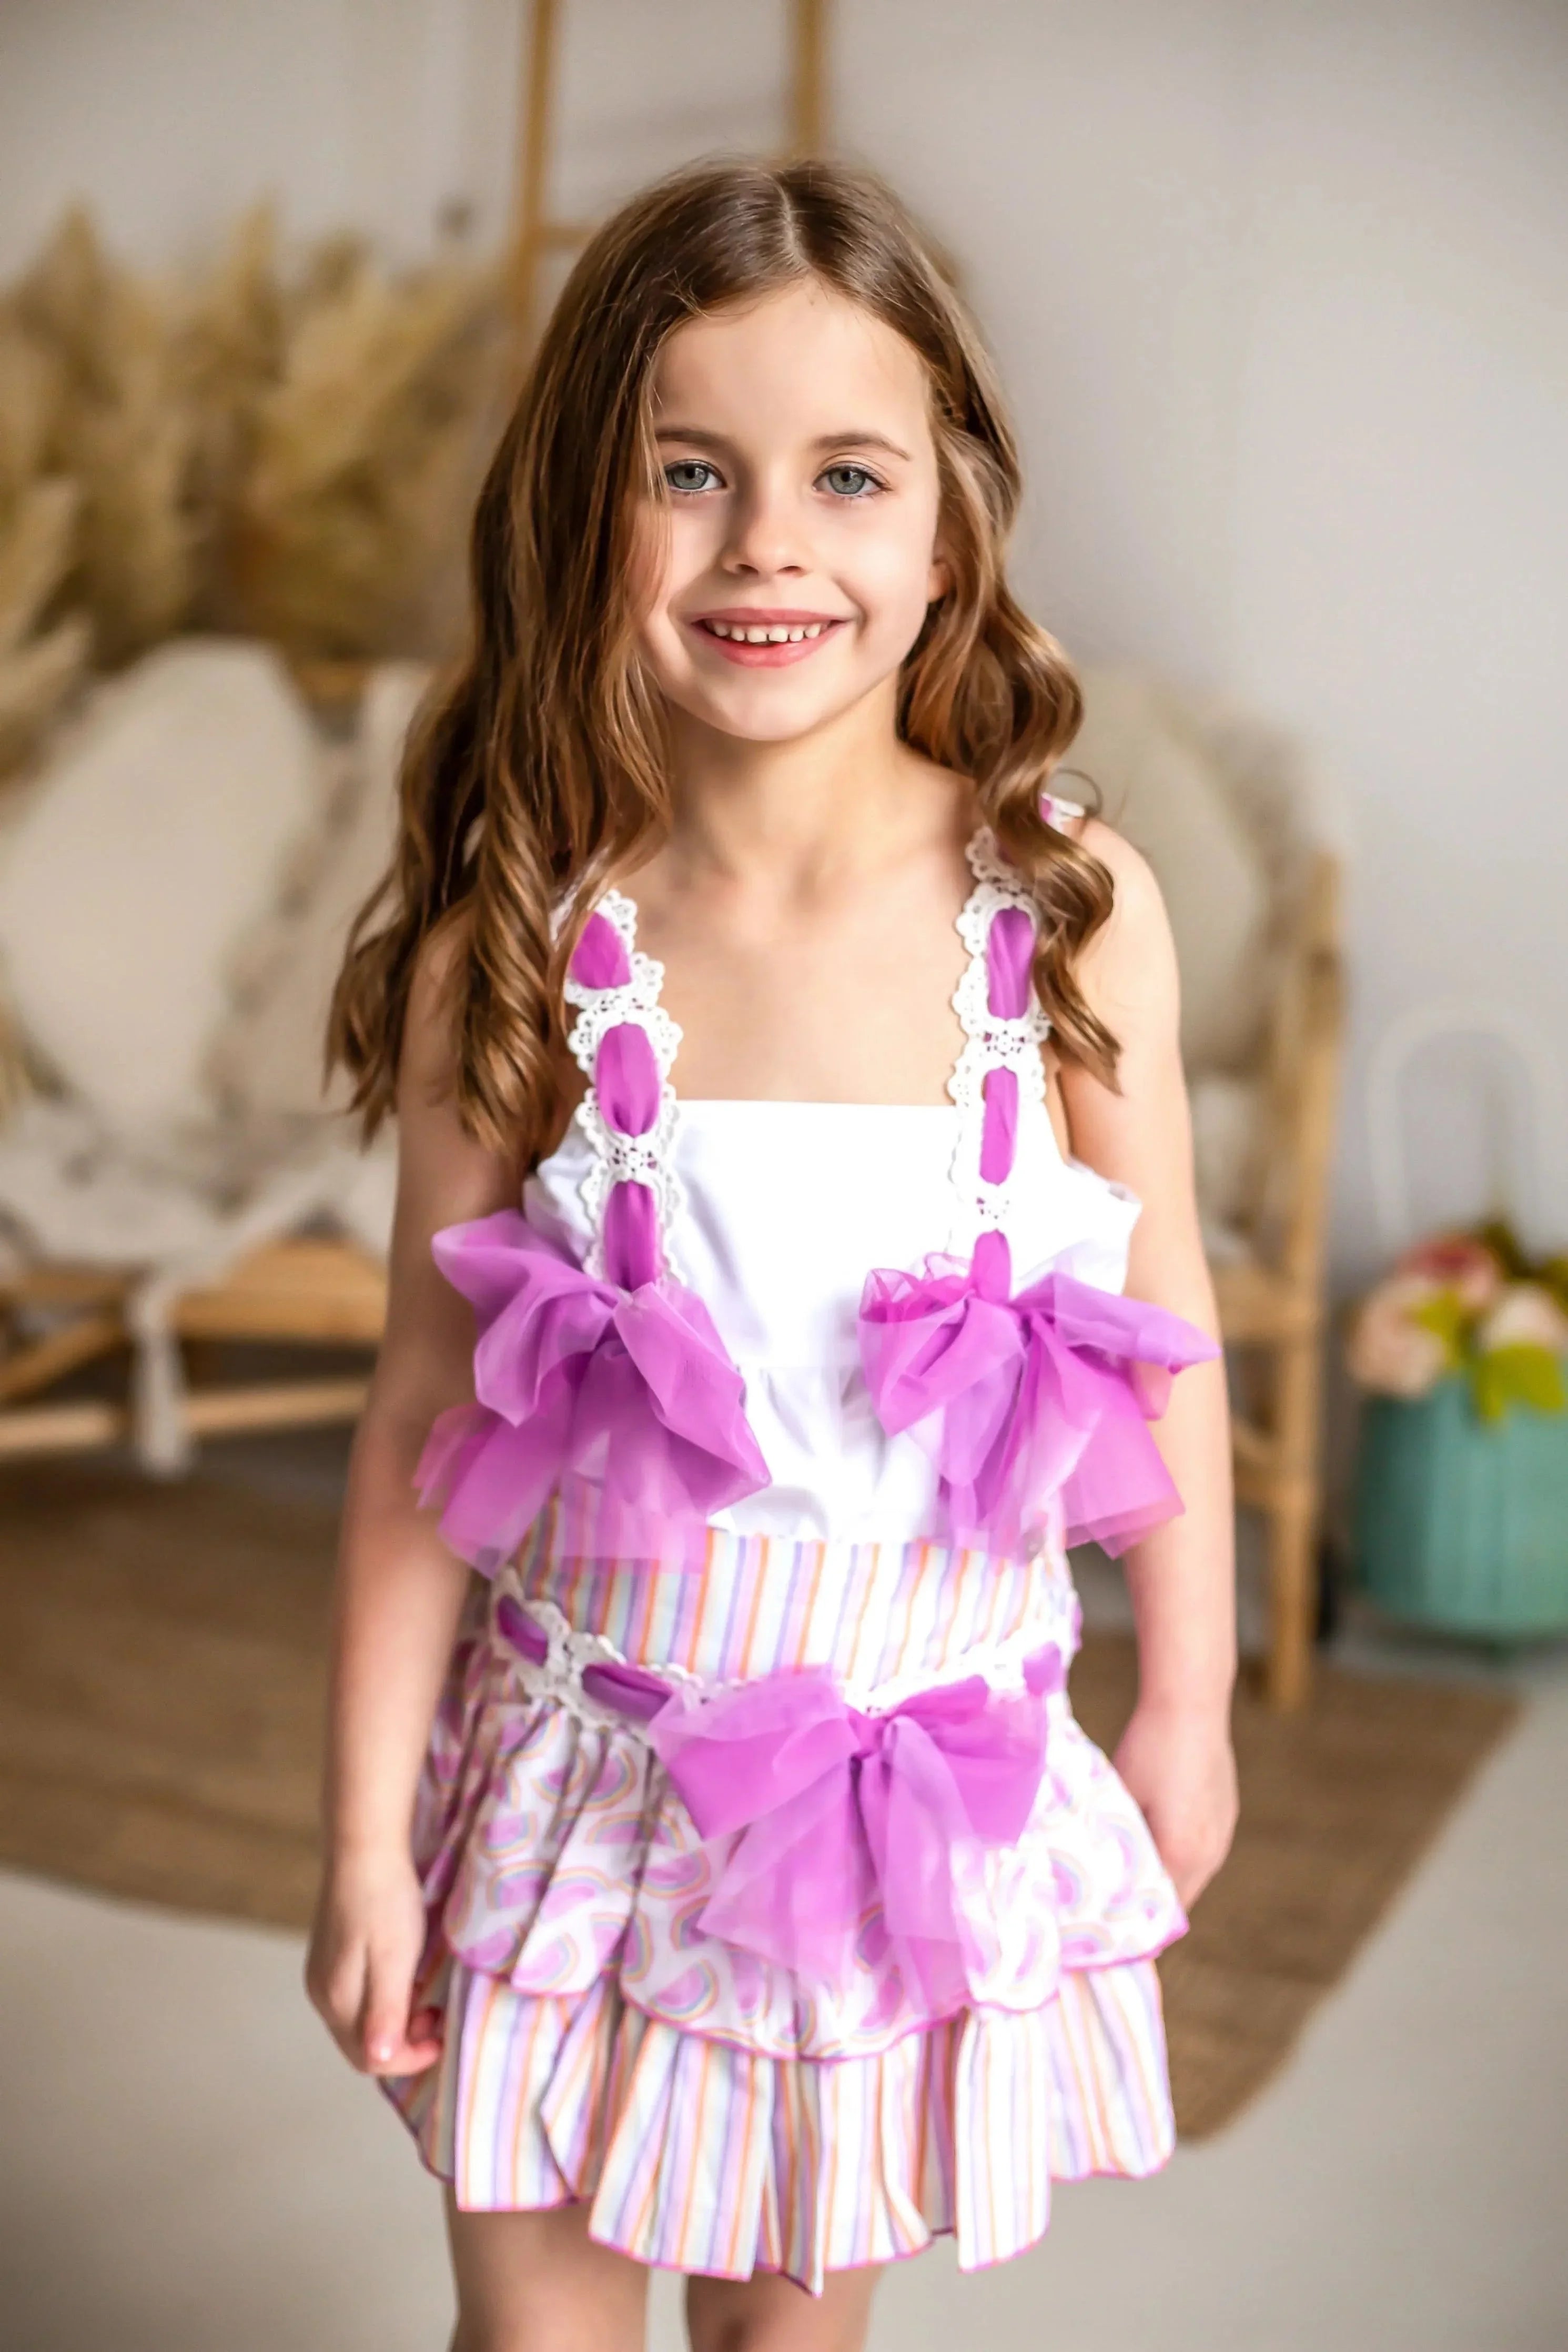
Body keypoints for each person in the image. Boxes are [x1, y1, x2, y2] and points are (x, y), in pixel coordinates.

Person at [305, 155, 1238, 2352]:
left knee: (782, 2336)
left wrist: (1182, 1699)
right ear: (584, 515)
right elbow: (419, 1431)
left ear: (945, 525)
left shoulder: (1062, 915)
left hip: (886, 1819)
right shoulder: (528, 951)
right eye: (687, 475)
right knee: (537, 2337)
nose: (765, 548)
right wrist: (360, 1840)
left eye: (842, 475)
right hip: (575, 1787)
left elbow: (1166, 1338)